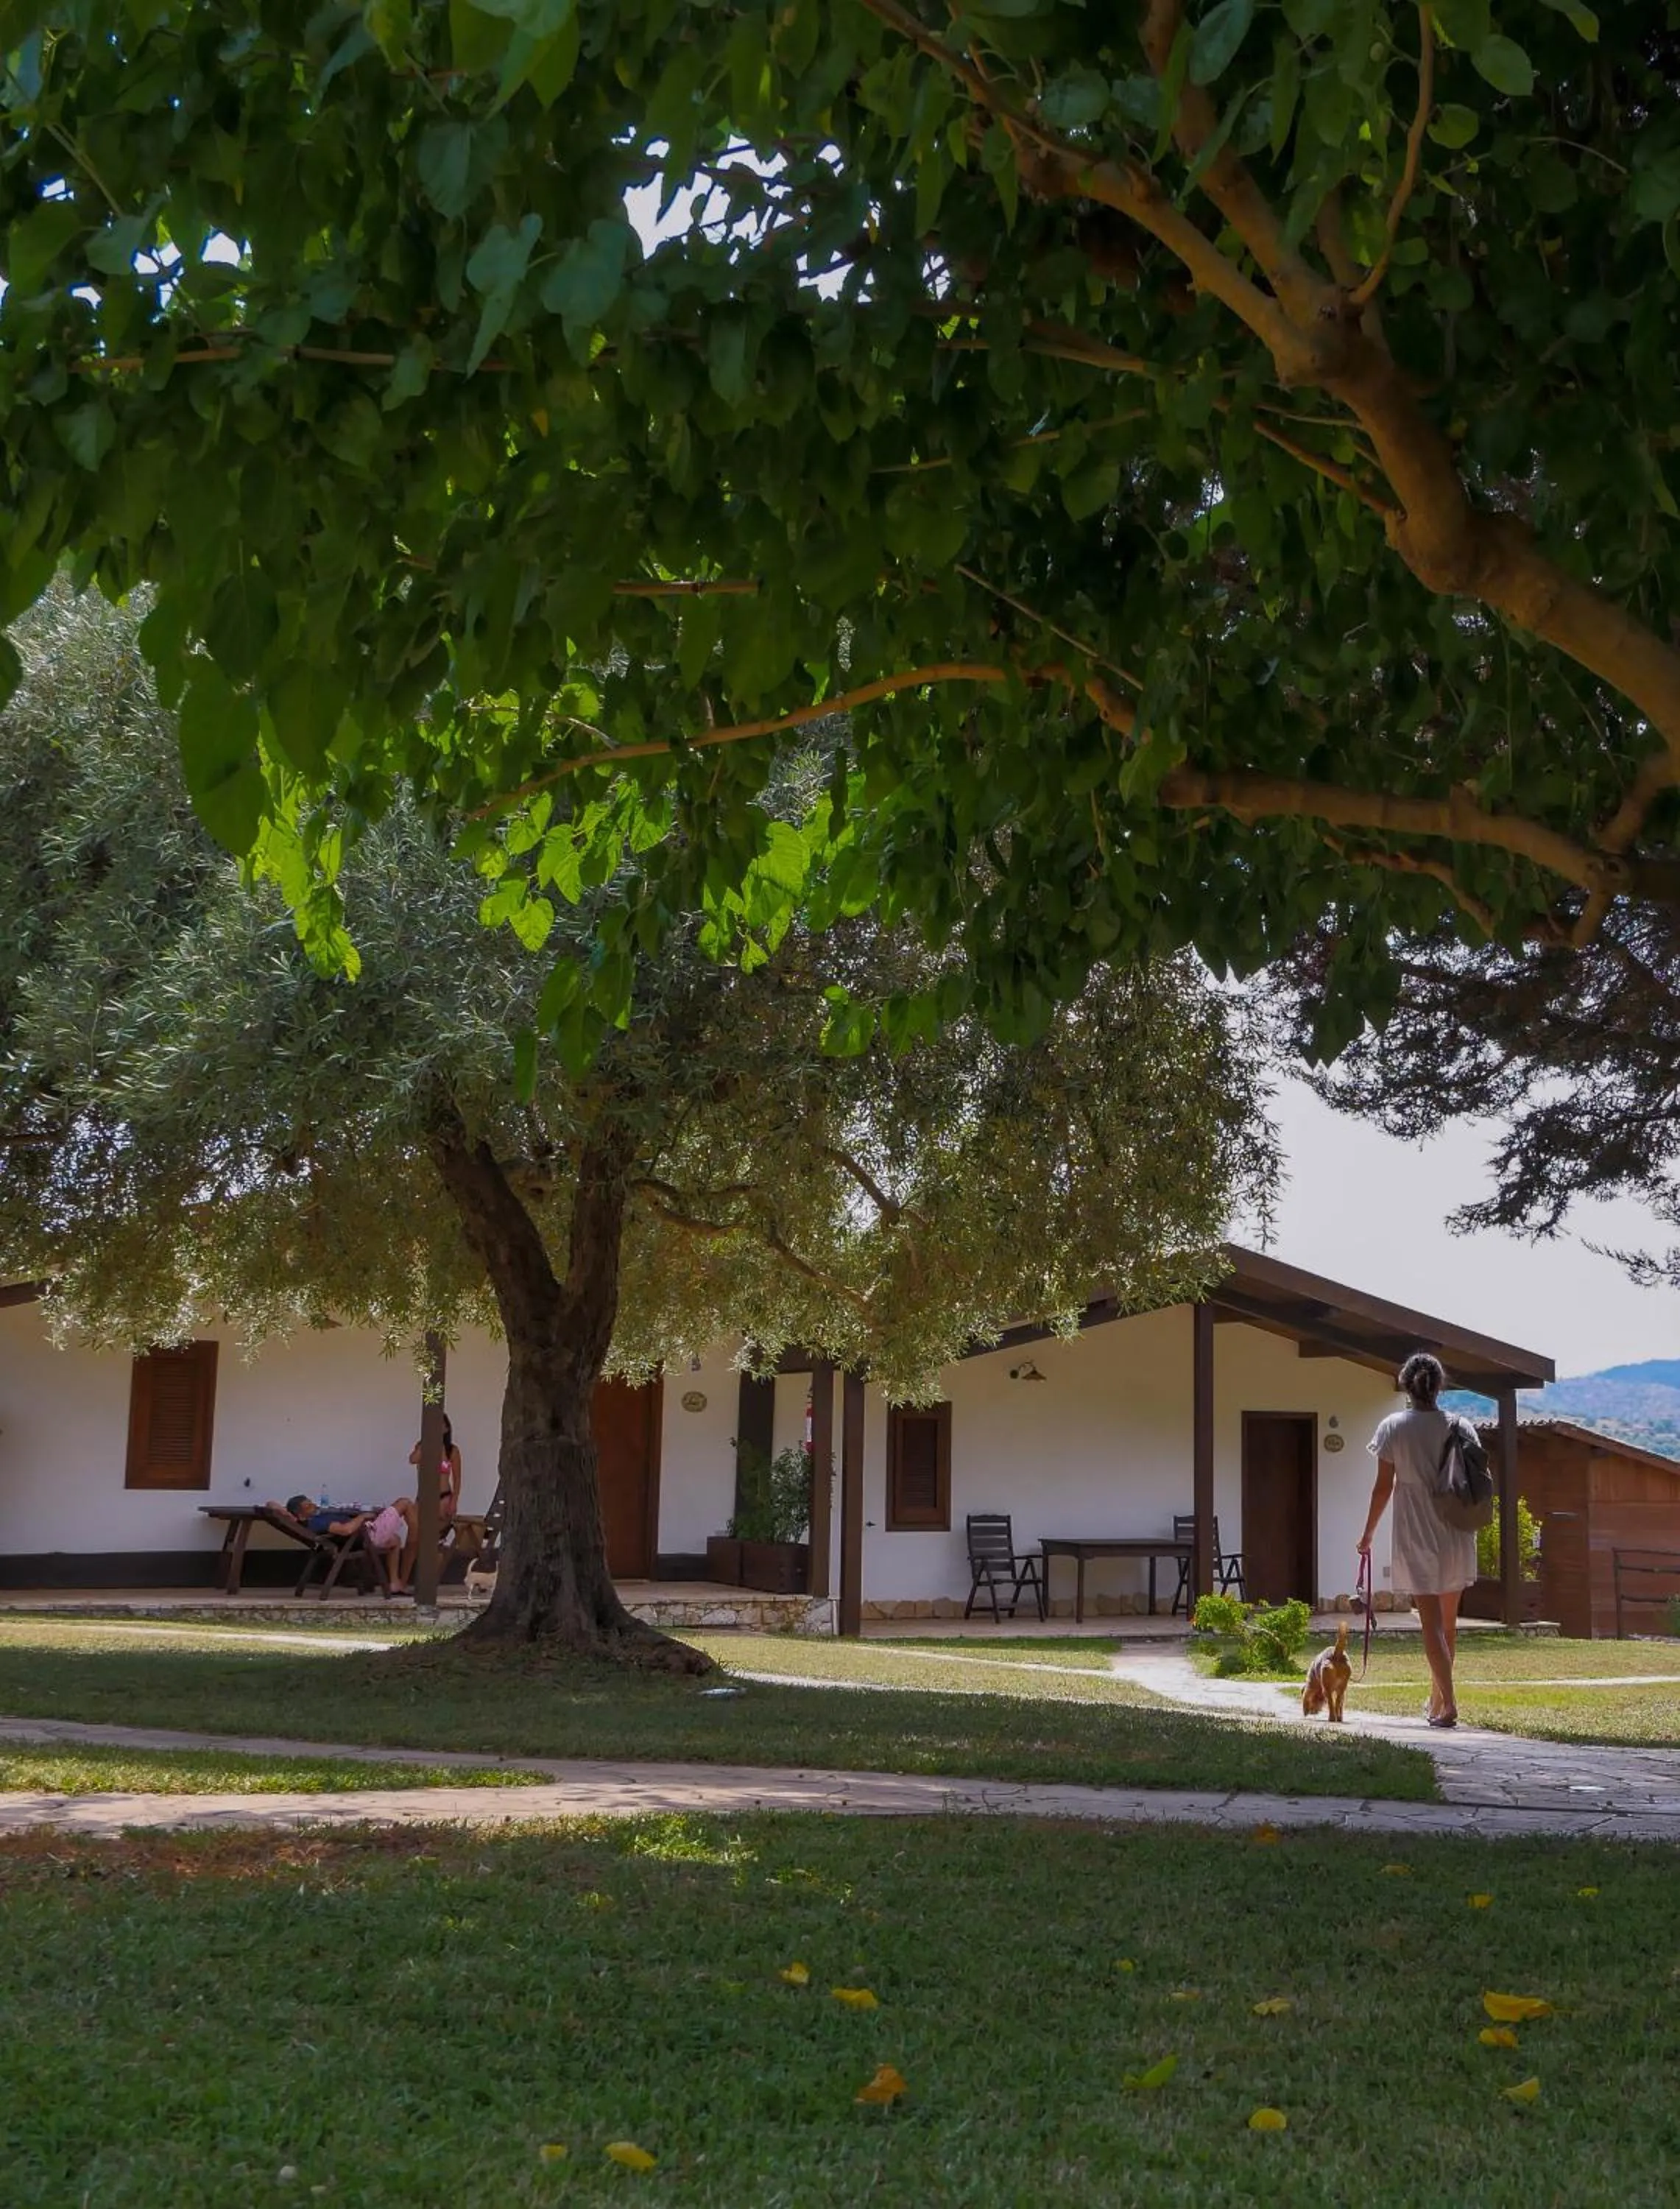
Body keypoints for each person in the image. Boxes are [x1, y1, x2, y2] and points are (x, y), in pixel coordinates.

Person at [1357, 1351, 1473, 1728]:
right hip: (1456, 1530)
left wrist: (1368, 1534)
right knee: (1448, 1625)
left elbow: (1382, 1488)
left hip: (1417, 1530)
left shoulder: (1393, 1427)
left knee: (1431, 1624)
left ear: (1406, 1385)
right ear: (1440, 1386)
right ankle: (1437, 1702)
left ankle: (1448, 1704)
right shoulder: (1460, 1425)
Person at [275, 1493, 420, 1596]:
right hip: (368, 1536)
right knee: (404, 1503)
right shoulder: (317, 1521)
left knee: (395, 1541)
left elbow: (272, 1505)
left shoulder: (314, 1519)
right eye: (308, 1506)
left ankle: (395, 1583)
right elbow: (346, 1530)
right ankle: (418, 1538)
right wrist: (362, 1517)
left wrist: (287, 1514)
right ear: (301, 1515)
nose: (313, 1506)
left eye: (311, 1502)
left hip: (363, 1537)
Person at [409, 1414, 462, 1527]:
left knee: (437, 1533)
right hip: (423, 1498)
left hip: (443, 1498)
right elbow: (413, 1460)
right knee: (418, 1531)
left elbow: (457, 1479)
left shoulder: (452, 1450)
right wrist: (426, 1442)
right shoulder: (422, 1446)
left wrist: (454, 1502)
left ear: (446, 1428)